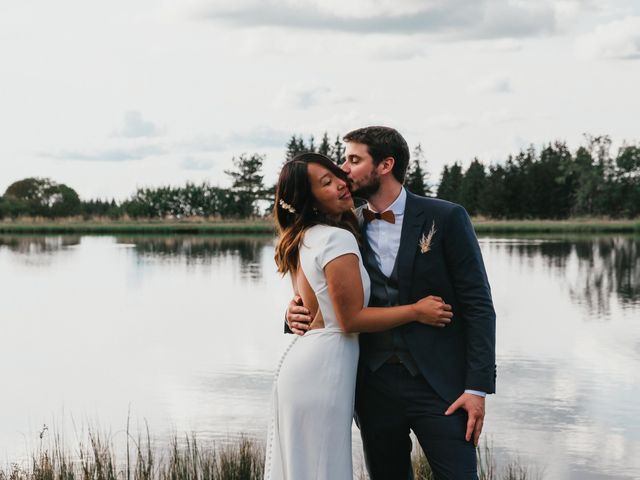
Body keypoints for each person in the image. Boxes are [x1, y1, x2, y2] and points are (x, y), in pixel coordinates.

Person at [286, 127, 496, 479]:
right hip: (372, 387)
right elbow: (320, 290)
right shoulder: (343, 225)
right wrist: (292, 314)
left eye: (353, 159)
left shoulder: (445, 217)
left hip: (441, 388)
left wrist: (477, 389)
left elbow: (478, 306)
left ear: (385, 165)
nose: (343, 169)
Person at [265, 152, 454, 480]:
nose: (341, 183)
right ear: (309, 200)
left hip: (305, 364)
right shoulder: (337, 238)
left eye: (337, 174)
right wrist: (416, 311)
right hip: (324, 369)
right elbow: (350, 319)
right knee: (325, 468)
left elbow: (315, 303)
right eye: (326, 183)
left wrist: (290, 313)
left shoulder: (303, 237)